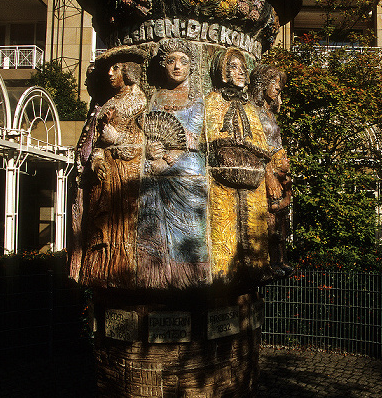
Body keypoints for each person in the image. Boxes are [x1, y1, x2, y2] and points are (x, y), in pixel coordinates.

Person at [137, 39, 210, 289]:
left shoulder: (197, 98)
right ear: (162, 64)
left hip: (187, 168)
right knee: (152, 223)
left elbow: (194, 134)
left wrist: (168, 158)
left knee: (190, 230)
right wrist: (151, 149)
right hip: (155, 168)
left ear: (192, 67)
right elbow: (148, 131)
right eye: (171, 61)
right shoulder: (155, 97)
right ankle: (156, 277)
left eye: (184, 61)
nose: (177, 66)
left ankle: (191, 280)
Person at [76, 47, 148, 288]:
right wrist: (96, 158)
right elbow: (97, 141)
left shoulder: (138, 101)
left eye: (115, 67)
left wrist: (117, 139)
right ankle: (100, 269)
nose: (110, 73)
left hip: (125, 172)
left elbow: (144, 140)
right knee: (101, 222)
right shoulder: (108, 103)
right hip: (104, 172)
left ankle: (121, 270)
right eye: (108, 68)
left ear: (128, 70)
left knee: (121, 223)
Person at [205, 48, 273, 285]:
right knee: (224, 217)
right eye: (234, 67)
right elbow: (211, 135)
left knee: (255, 216)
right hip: (224, 171)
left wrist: (247, 145)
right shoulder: (213, 101)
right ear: (223, 72)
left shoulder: (249, 107)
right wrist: (228, 144)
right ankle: (224, 269)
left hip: (251, 171)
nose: (241, 72)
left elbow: (261, 143)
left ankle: (256, 265)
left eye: (243, 67)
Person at [249, 64, 293, 276]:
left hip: (280, 168)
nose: (277, 88)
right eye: (273, 83)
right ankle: (265, 261)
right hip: (266, 168)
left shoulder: (270, 112)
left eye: (279, 84)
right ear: (261, 83)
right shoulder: (254, 111)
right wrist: (269, 173)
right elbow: (258, 145)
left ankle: (279, 259)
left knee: (281, 219)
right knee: (268, 216)